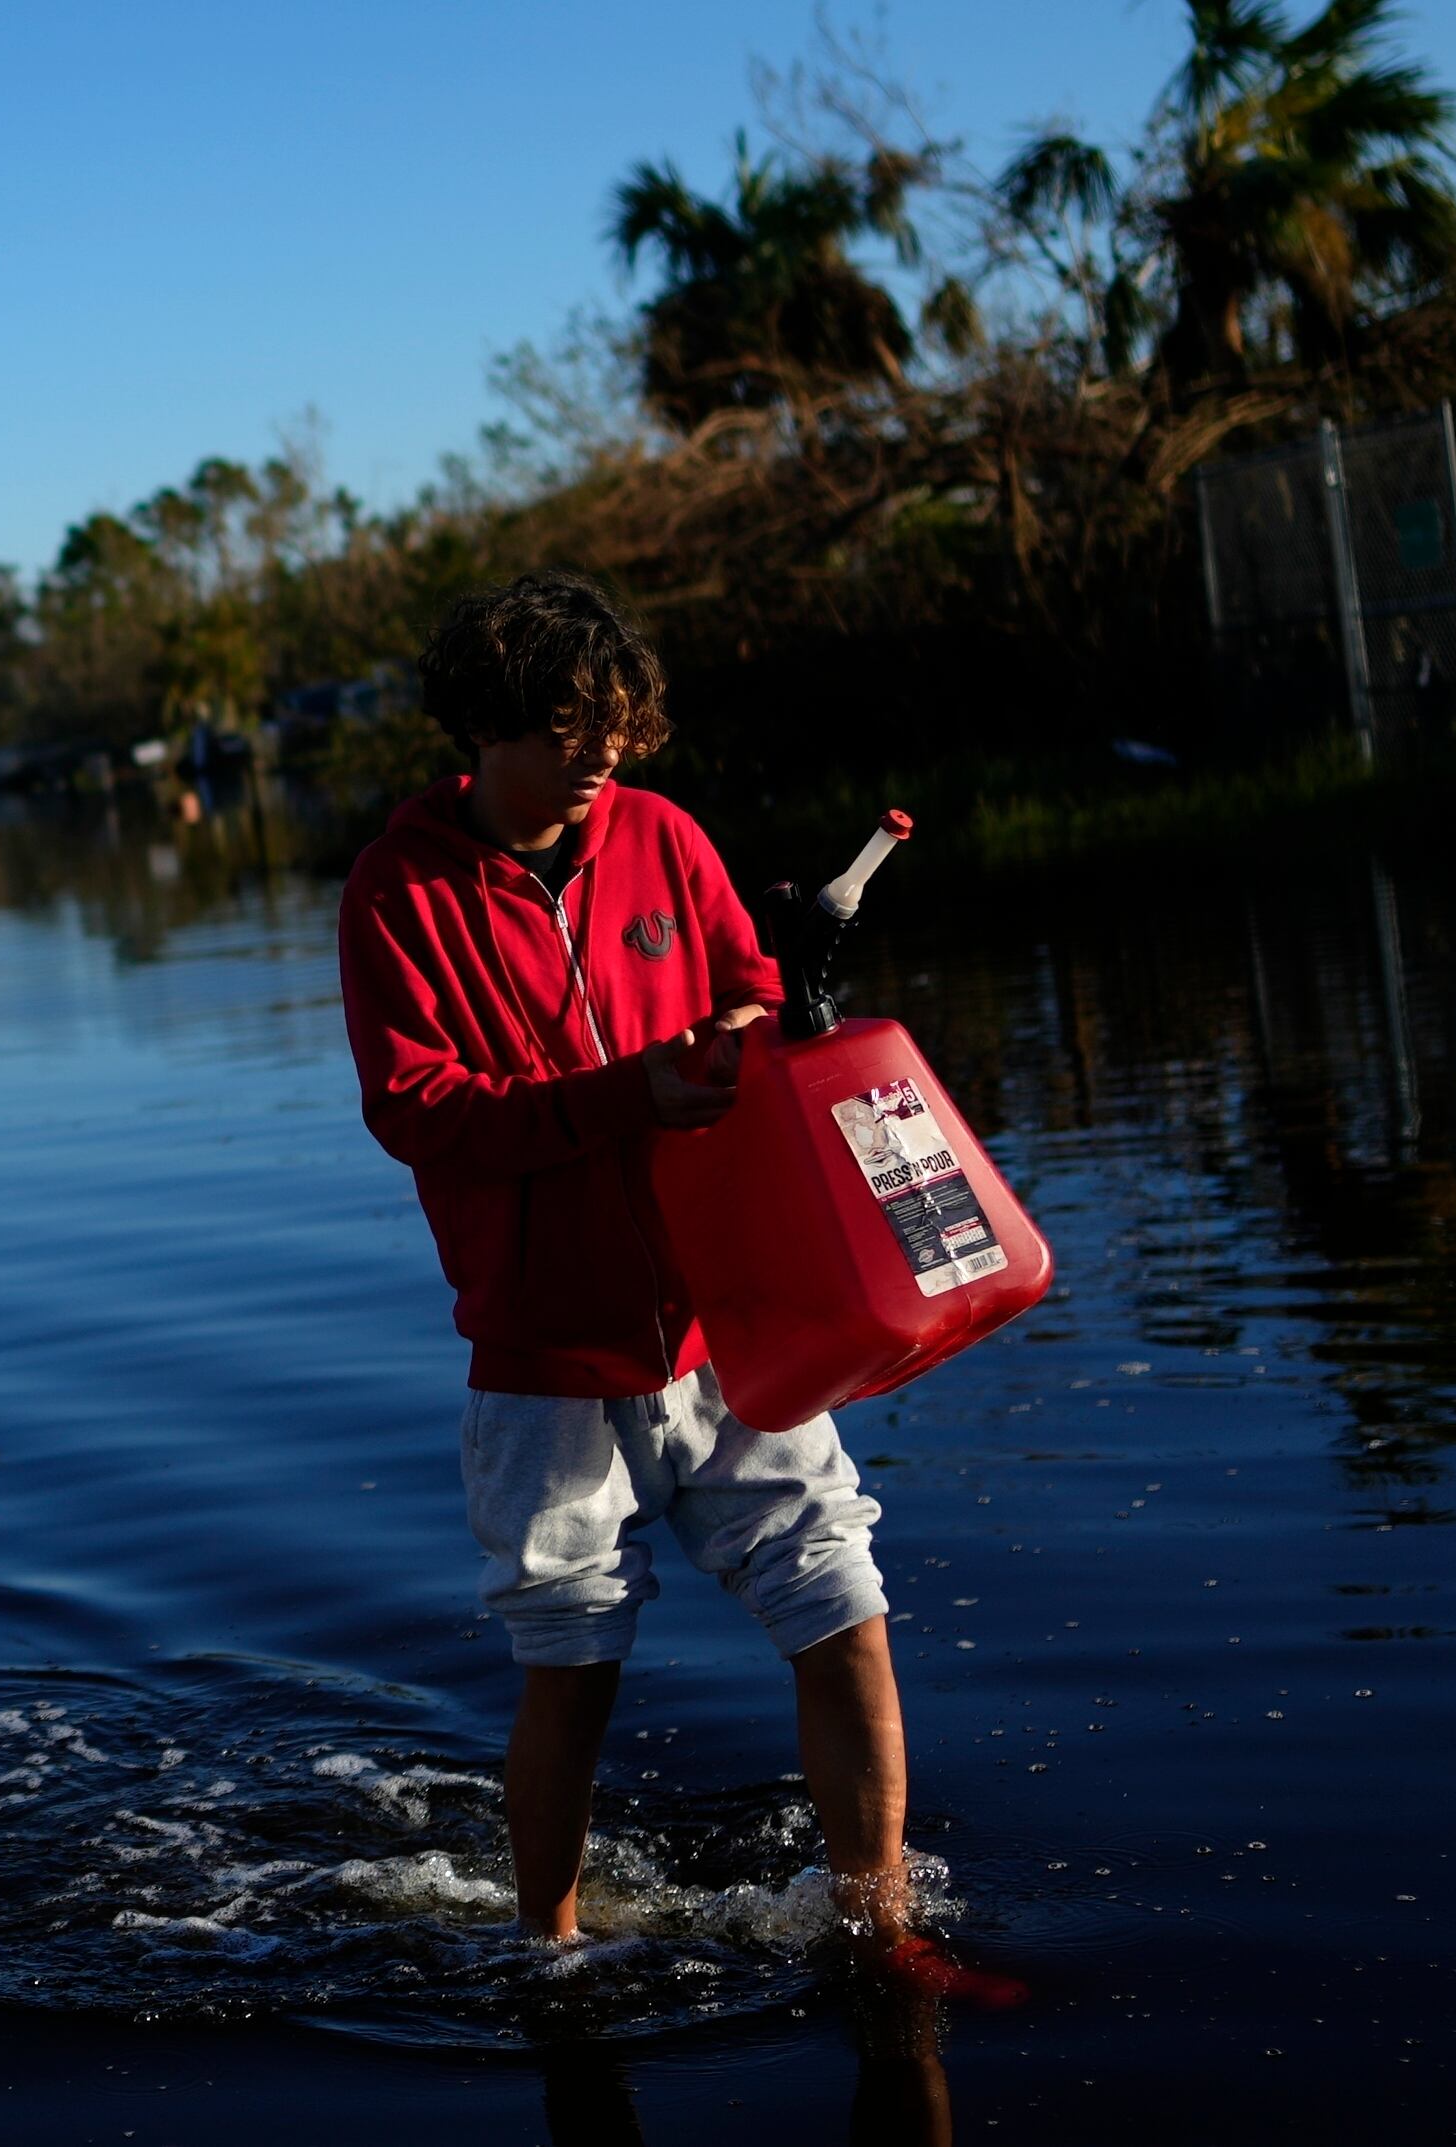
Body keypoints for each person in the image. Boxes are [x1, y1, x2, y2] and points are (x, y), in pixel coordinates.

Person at [334, 569, 1015, 2009]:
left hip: (730, 1319)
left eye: (618, 731)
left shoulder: (661, 837)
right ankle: (552, 1953)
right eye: (572, 730)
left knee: (845, 1609)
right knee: (571, 1672)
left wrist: (777, 1005)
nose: (604, 759)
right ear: (487, 727)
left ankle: (878, 1925)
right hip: (545, 1352)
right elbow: (420, 1111)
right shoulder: (397, 893)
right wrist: (625, 1094)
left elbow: (745, 994)